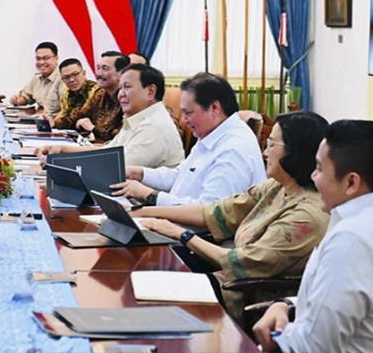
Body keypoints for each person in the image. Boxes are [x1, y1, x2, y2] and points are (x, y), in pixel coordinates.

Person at [135, 111, 330, 320]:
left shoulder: (306, 216)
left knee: (148, 295)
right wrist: (147, 211)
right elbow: (216, 211)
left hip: (244, 295)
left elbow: (242, 263)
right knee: (143, 267)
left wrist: (181, 234)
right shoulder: (277, 187)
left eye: (271, 145)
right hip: (224, 273)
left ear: (295, 152)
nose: (265, 153)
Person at [253, 120, 373, 353]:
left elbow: (311, 346)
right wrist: (286, 305)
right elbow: (347, 302)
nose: (313, 176)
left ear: (351, 182)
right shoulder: (366, 222)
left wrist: (272, 342)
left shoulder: (353, 240)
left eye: (320, 169)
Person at [111, 72, 266, 206]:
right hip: (176, 222)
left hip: (200, 236)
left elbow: (210, 212)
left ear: (214, 108)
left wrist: (149, 195)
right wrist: (139, 174)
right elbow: (181, 176)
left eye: (188, 113)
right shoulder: (213, 132)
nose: (184, 120)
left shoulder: (233, 149)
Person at [36, 64, 184, 170]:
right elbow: (107, 152)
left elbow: (113, 168)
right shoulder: (138, 118)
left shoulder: (153, 127)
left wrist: (61, 161)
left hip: (143, 208)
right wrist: (61, 149)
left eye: (127, 87)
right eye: (121, 88)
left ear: (150, 92)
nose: (121, 95)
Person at [44, 51, 127, 142]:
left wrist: (93, 128)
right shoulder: (100, 94)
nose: (99, 73)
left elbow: (121, 136)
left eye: (105, 68)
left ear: (122, 73)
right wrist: (54, 123)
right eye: (98, 68)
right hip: (95, 147)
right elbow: (78, 117)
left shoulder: (127, 98)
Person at [9, 41, 64, 114]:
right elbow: (26, 97)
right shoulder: (36, 78)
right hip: (39, 120)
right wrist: (17, 100)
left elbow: (66, 110)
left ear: (56, 59)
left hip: (56, 122)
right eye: (38, 59)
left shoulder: (64, 78)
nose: (41, 62)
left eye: (46, 58)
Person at [52, 58, 98, 126]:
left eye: (75, 74)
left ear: (84, 73)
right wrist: (52, 122)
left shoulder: (96, 90)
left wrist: (59, 123)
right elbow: (64, 114)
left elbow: (82, 114)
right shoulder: (66, 93)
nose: (71, 80)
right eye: (66, 77)